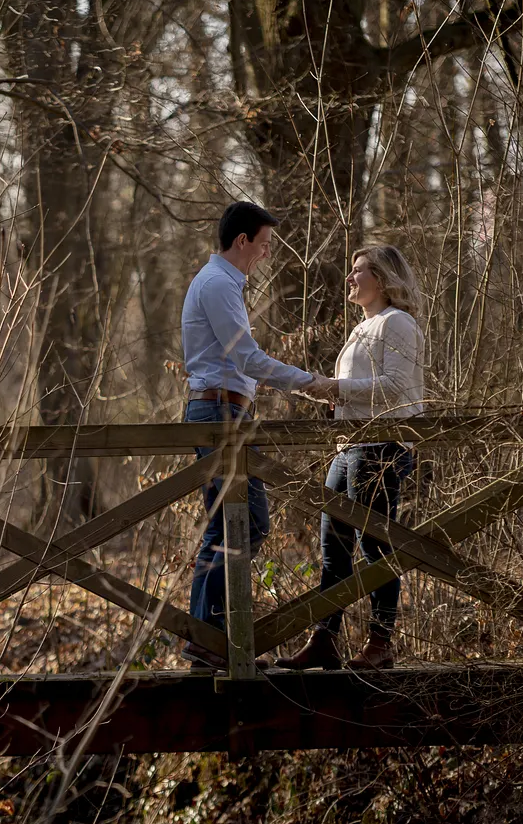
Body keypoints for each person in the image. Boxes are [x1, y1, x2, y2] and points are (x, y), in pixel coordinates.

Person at [182, 201, 326, 665]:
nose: (266, 254)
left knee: (231, 526)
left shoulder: (223, 284)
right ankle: (210, 639)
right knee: (248, 523)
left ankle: (207, 639)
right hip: (221, 415)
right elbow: (246, 358)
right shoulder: (220, 285)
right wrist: (312, 383)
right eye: (264, 245)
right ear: (242, 241)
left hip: (228, 413)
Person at [276, 244, 425, 671]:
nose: (351, 277)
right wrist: (328, 396)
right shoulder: (364, 327)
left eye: (359, 270)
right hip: (349, 445)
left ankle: (381, 644)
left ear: (382, 278)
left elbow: (396, 386)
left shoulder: (397, 322)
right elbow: (362, 386)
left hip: (380, 445)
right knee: (333, 546)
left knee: (375, 546)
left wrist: (337, 388)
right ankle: (324, 640)